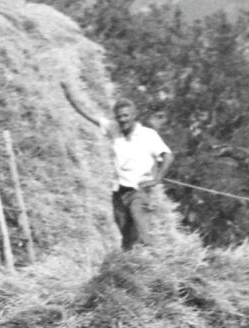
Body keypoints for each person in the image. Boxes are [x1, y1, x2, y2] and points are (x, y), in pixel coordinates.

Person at [61, 82, 174, 250]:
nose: (122, 119)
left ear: (134, 115)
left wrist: (156, 180)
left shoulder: (148, 135)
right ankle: (128, 264)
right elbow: (88, 115)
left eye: (126, 116)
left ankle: (155, 256)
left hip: (139, 189)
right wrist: (69, 97)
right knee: (125, 232)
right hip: (119, 192)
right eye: (119, 116)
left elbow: (168, 156)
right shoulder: (113, 129)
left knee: (140, 222)